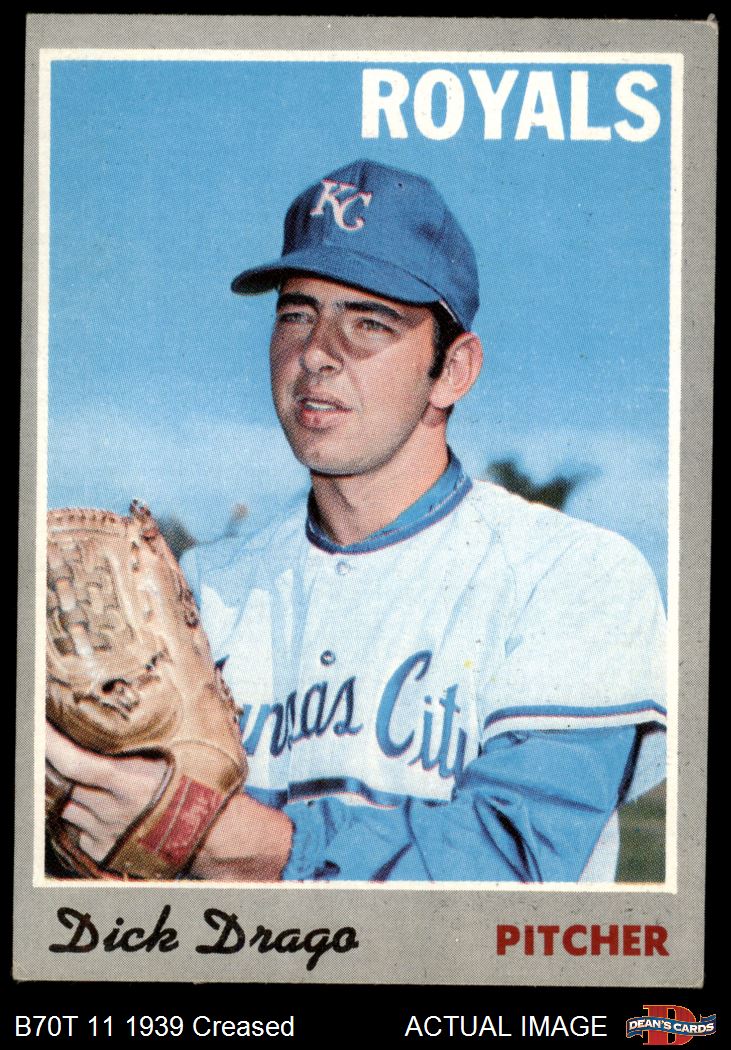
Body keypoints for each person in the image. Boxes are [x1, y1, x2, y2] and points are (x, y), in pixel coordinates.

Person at [46, 159, 667, 883]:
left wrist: (204, 832)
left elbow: (513, 860)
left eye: (368, 322)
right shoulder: (203, 587)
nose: (316, 352)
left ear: (453, 370)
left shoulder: (571, 573)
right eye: (296, 314)